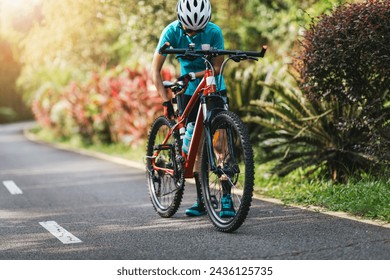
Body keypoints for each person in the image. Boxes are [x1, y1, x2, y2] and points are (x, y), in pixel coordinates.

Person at [151, 0, 234, 218]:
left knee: (221, 143)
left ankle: (226, 198)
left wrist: (193, 75)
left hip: (213, 88)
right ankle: (202, 199)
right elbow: (155, 70)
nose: (194, 33)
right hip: (188, 93)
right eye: (189, 29)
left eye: (199, 29)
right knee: (195, 144)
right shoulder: (170, 32)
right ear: (181, 22)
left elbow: (216, 68)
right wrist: (165, 101)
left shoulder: (214, 32)